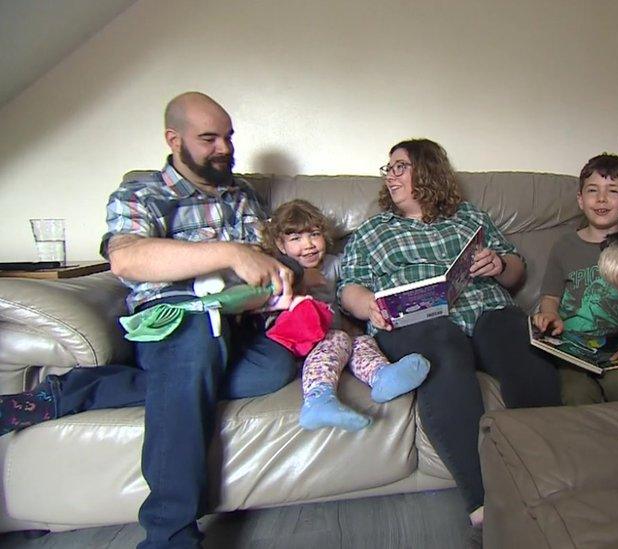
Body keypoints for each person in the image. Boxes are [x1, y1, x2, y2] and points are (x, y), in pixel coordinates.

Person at [0, 92, 297, 548]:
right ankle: (169, 533)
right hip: (174, 321)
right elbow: (128, 259)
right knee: (194, 350)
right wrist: (229, 252)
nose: (224, 147)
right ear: (173, 140)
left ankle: (73, 390)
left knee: (275, 368)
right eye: (209, 138)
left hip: (240, 323)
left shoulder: (243, 196)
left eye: (228, 136)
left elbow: (267, 252)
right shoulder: (142, 193)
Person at [338, 138, 561, 527]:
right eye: (387, 168)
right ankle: (484, 507)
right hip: (416, 323)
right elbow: (349, 288)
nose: (390, 175)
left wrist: (499, 265)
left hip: (484, 309)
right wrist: (367, 304)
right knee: (445, 346)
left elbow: (515, 269)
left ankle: (547, 482)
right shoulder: (373, 231)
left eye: (400, 167)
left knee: (517, 335)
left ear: (427, 171)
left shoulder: (468, 217)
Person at [261, 199, 430, 431]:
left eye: (314, 234)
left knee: (362, 340)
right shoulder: (280, 269)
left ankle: (382, 377)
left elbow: (360, 273)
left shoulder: (335, 264)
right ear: (280, 244)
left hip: (337, 335)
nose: (308, 244)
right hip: (300, 341)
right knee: (339, 338)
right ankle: (318, 399)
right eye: (295, 238)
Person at [531, 153, 618, 405]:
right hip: (571, 353)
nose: (601, 199)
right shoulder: (564, 246)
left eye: (612, 191)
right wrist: (549, 314)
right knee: (575, 395)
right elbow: (550, 297)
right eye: (592, 190)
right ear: (580, 200)